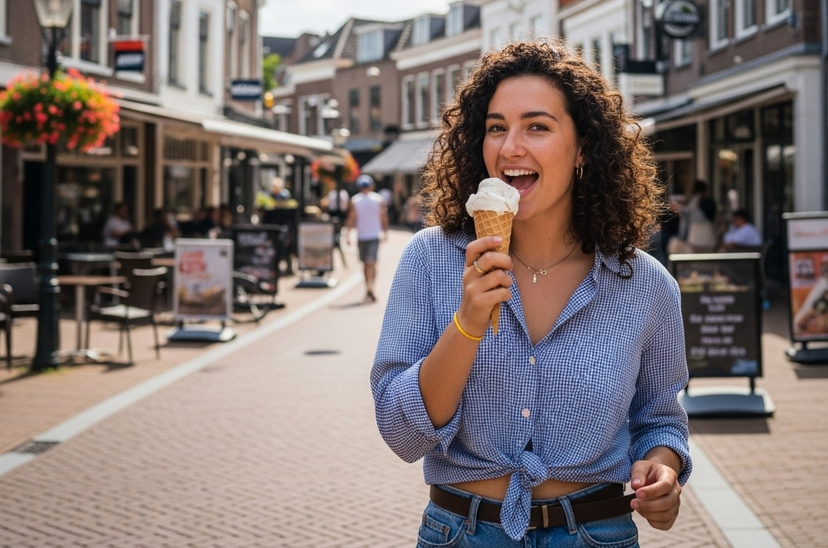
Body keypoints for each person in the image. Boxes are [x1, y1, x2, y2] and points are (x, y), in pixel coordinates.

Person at [370, 39, 691, 545]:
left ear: (584, 147)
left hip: (595, 532)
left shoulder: (647, 286)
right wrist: (467, 324)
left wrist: (663, 469)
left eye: (537, 126)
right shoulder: (431, 260)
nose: (509, 147)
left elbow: (660, 419)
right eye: (496, 127)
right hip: (463, 532)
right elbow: (402, 435)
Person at [346, 174, 388, 302]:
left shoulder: (355, 200)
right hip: (372, 234)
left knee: (367, 263)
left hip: (364, 235)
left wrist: (348, 234)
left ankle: (370, 286)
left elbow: (351, 218)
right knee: (371, 263)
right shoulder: (378, 199)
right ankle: (370, 286)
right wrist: (385, 231)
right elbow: (383, 216)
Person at [667, 181, 717, 254]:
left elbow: (686, 218)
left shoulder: (693, 202)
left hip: (695, 237)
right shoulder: (710, 201)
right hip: (709, 236)